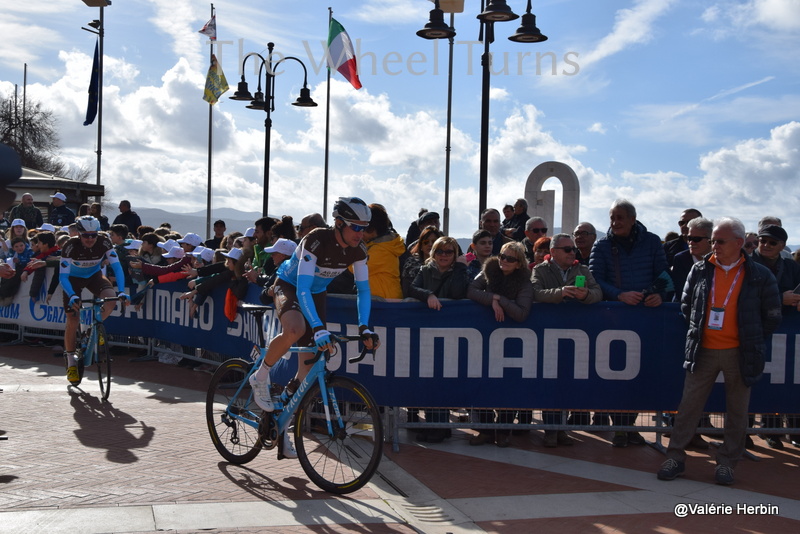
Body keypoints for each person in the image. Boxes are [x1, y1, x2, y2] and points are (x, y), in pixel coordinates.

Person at [248, 197, 380, 459]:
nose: (360, 233)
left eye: (364, 228)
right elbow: (302, 288)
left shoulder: (359, 250)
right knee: (295, 329)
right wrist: (318, 327)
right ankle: (261, 374)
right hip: (289, 285)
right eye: (355, 227)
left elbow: (363, 291)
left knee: (306, 373)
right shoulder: (316, 239)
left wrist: (365, 326)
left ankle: (280, 424)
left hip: (316, 294)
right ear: (339, 223)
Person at [656, 217, 781, 486]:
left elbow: (772, 315)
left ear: (739, 243)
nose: (714, 246)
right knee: (688, 408)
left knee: (737, 411)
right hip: (704, 350)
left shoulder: (760, 274)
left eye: (719, 241)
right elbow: (686, 306)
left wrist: (750, 337)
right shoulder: (700, 270)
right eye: (712, 240)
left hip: (740, 352)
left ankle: (727, 464)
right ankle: (675, 457)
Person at [589, 199, 670, 448]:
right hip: (614, 317)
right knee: (615, 371)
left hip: (646, 317)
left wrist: (660, 295)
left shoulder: (653, 241)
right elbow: (594, 279)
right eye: (612, 217)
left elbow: (664, 274)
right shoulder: (602, 245)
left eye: (620, 217)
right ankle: (621, 426)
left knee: (640, 371)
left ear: (633, 219)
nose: (615, 222)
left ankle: (628, 424)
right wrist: (618, 295)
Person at [532, 233, 602, 447]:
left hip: (575, 337)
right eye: (567, 249)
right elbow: (535, 293)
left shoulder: (582, 269)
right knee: (550, 384)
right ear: (553, 252)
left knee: (566, 383)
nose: (573, 252)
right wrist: (560, 293)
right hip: (547, 336)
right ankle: (550, 430)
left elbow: (598, 292)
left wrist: (585, 296)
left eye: (573, 249)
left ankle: (562, 430)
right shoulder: (540, 270)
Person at [467, 241, 533, 447]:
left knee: (508, 387)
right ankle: (486, 430)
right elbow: (471, 291)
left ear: (519, 264)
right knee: (483, 383)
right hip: (484, 338)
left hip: (512, 341)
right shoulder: (489, 269)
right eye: (503, 256)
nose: (504, 261)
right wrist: (493, 298)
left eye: (510, 259)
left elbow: (521, 313)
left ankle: (503, 430)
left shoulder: (524, 282)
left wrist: (500, 301)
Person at [407, 235, 470, 443]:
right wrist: (428, 295)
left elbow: (458, 293)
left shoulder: (460, 271)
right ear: (433, 253)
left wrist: (460, 269)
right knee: (427, 380)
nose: (444, 255)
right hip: (426, 333)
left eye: (449, 252)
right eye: (440, 251)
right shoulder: (425, 270)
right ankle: (434, 424)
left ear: (455, 255)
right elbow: (411, 288)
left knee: (443, 381)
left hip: (450, 333)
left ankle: (441, 426)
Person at [60, 216, 129, 385]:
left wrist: (121, 291)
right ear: (79, 233)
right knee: (73, 319)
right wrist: (72, 295)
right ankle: (71, 361)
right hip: (72, 280)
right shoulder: (70, 246)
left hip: (94, 276)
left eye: (93, 235)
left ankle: (93, 330)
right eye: (86, 235)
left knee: (111, 299)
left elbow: (117, 267)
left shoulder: (104, 242)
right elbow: (63, 276)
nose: (90, 239)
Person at [750, 224, 800, 449]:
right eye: (762, 240)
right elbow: (746, 297)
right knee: (754, 381)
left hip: (786, 333)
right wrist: (781, 298)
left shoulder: (790, 266)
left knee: (786, 379)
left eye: (772, 242)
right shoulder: (747, 264)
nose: (766, 245)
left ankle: (791, 429)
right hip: (755, 331)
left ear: (782, 246)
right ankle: (763, 430)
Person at [362, 204, 405, 300]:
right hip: (383, 300)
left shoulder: (381, 250)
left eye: (362, 227)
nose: (359, 232)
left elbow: (355, 268)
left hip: (385, 302)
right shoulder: (383, 245)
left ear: (372, 229)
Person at [401, 225, 443, 298]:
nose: (430, 244)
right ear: (421, 246)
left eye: (434, 241)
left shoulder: (445, 263)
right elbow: (408, 290)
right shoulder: (411, 264)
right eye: (426, 242)